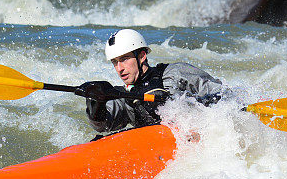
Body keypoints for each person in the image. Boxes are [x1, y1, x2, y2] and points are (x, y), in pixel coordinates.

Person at [74, 29, 225, 134]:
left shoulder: (176, 73)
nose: (119, 68)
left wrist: (198, 104)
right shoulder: (124, 96)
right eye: (114, 62)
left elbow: (223, 94)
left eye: (124, 59)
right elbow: (104, 127)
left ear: (141, 56)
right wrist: (96, 103)